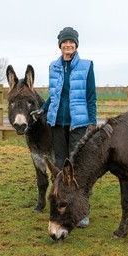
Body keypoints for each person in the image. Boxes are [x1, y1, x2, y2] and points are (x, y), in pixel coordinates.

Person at [32, 26, 97, 227]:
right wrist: (43, 109)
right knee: (60, 165)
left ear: (76, 45)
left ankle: (82, 211)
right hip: (57, 123)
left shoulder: (86, 66)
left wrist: (92, 122)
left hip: (78, 123)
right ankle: (61, 204)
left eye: (71, 42)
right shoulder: (54, 66)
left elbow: (91, 96)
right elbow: (55, 94)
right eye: (64, 42)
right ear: (60, 45)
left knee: (76, 167)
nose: (68, 45)